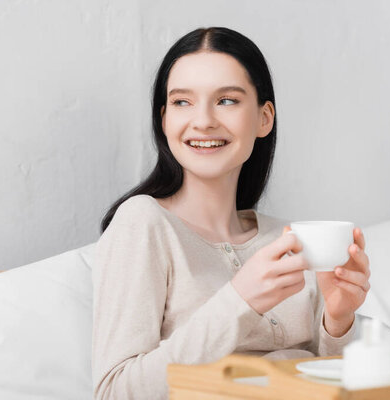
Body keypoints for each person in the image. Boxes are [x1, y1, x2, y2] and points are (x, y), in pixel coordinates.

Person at [92, 26, 371, 400]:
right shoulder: (143, 223)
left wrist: (337, 323)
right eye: (182, 102)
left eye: (226, 100)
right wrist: (239, 301)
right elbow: (115, 392)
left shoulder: (284, 239)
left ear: (264, 118)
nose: (203, 120)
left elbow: (332, 384)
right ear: (164, 120)